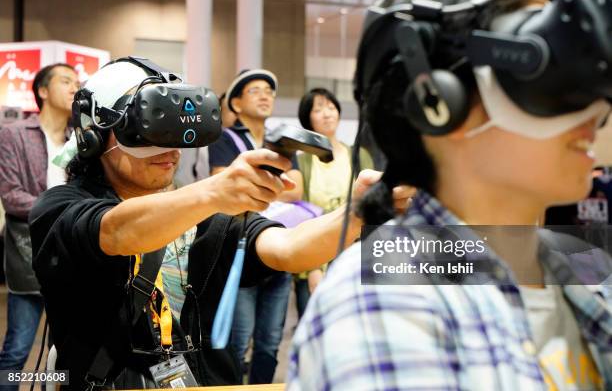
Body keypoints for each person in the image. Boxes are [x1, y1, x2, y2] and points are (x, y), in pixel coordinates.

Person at [288, 0, 612, 390]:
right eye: (541, 74)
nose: (587, 102)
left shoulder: (586, 263)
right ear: (437, 101)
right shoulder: (388, 299)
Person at [28, 58, 410, 389]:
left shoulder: (204, 214)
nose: (167, 149)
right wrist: (215, 192)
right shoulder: (59, 208)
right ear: (94, 137)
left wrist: (360, 212)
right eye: (146, 133)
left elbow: (290, 248)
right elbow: (115, 232)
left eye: (174, 132)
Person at [208, 69, 302, 383]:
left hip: (280, 246)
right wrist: (275, 185)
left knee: (270, 342)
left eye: (269, 91)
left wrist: (256, 187)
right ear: (235, 103)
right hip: (240, 250)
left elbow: (298, 189)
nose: (265, 95)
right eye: (255, 90)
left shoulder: (284, 139)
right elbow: (227, 188)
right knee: (237, 339)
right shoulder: (224, 137)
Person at [0, 63, 78, 388]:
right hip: (28, 252)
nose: (75, 87)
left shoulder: (84, 139)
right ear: (43, 91)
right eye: (66, 81)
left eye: (77, 82)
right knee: (18, 349)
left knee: (66, 352)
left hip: (75, 254)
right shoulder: (15, 134)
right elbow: (12, 196)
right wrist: (66, 208)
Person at [293, 88, 376, 318]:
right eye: (318, 109)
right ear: (307, 117)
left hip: (354, 254)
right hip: (314, 253)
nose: (327, 114)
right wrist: (313, 268)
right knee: (313, 322)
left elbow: (371, 209)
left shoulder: (360, 156)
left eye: (331, 107)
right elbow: (301, 213)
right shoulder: (302, 162)